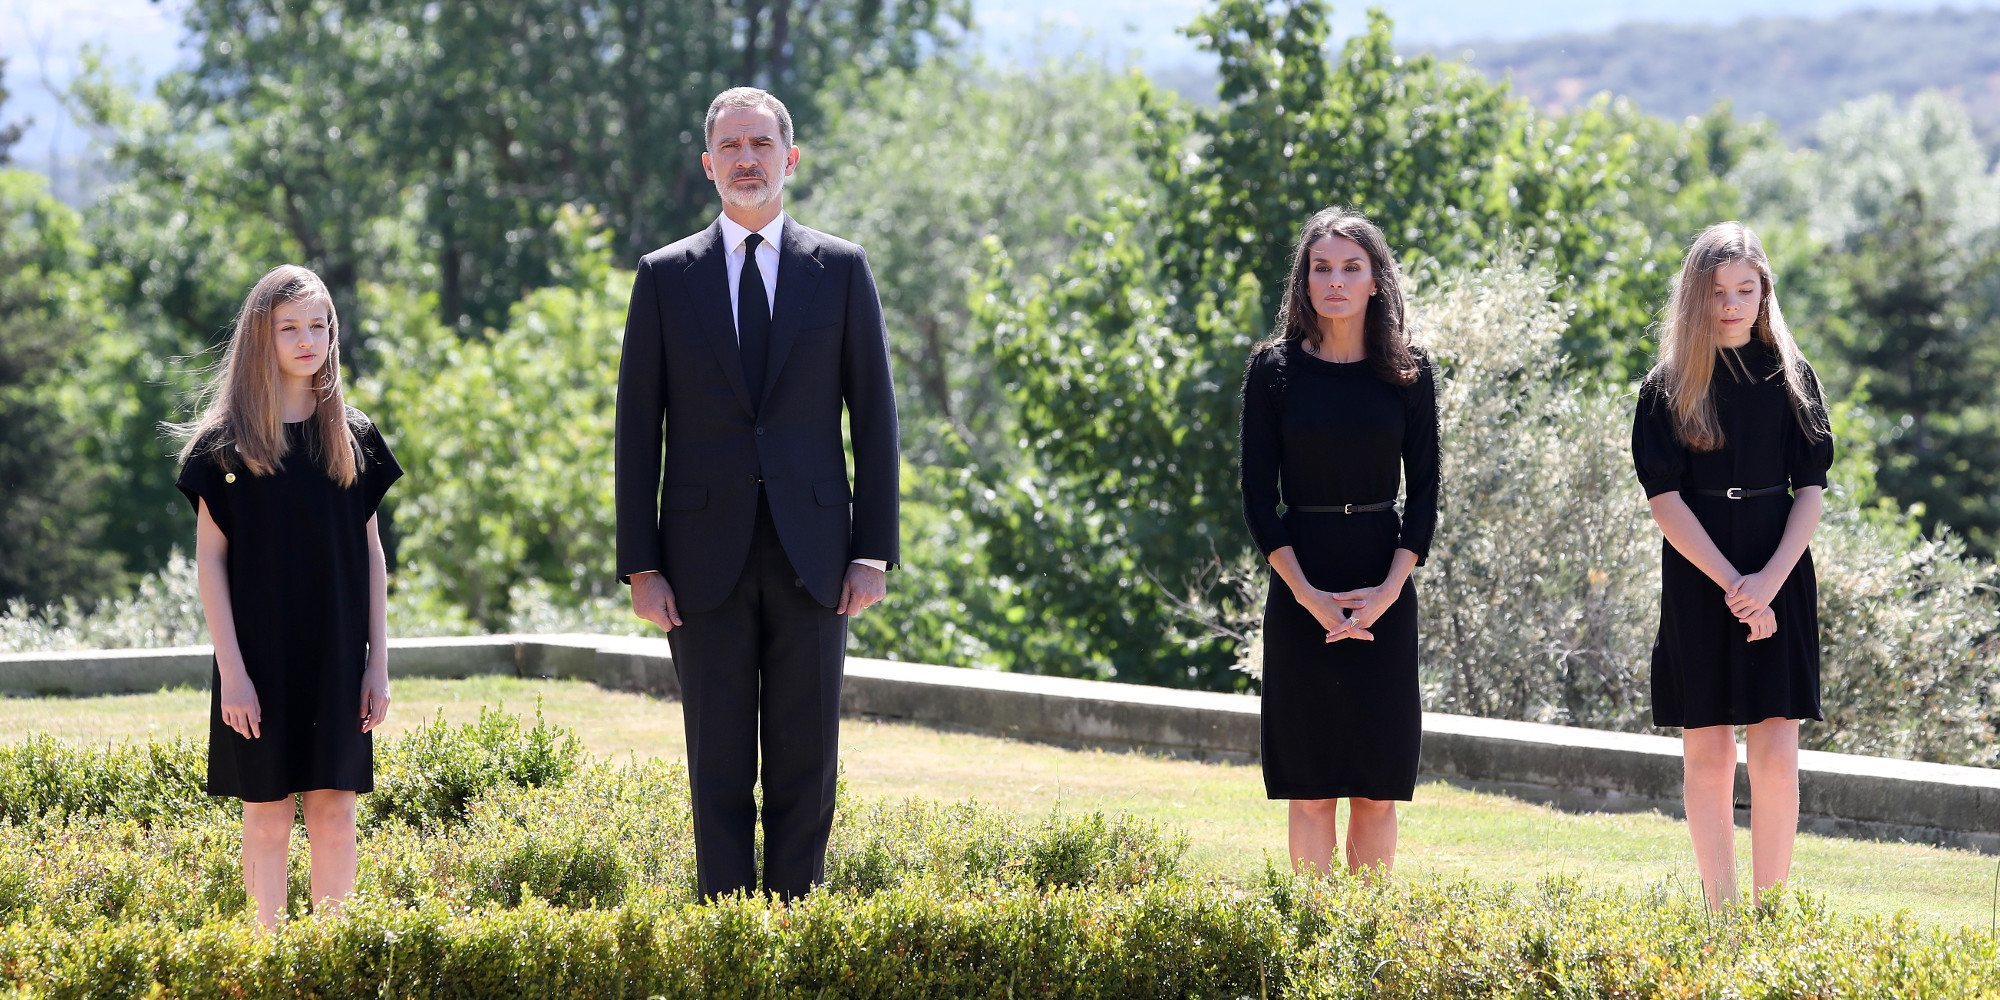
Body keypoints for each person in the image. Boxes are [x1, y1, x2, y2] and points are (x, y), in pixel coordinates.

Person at [614, 86, 900, 901]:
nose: (746, 159)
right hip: (699, 563)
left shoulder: (840, 270)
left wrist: (872, 551)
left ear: (790, 158)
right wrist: (641, 565)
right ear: (708, 165)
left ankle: (793, 938)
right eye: (730, 147)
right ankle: (727, 940)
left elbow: (875, 420)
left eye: (761, 145)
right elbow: (638, 431)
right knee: (718, 763)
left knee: (807, 763)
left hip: (819, 558)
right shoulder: (664, 278)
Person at [171, 264, 402, 928]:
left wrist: (377, 664)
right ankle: (266, 961)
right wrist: (233, 673)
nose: (308, 340)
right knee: (267, 817)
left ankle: (331, 960)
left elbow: (371, 556)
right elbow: (210, 563)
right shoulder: (225, 448)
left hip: (335, 656)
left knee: (335, 813)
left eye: (319, 325)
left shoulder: (352, 437)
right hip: (258, 662)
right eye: (290, 327)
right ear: (260, 338)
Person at [1631, 221, 1833, 910]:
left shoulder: (1793, 378)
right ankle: (1719, 911)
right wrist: (1733, 585)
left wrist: (1769, 582)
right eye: (1718, 291)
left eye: (1746, 288)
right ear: (1696, 296)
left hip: (1781, 569)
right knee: (1709, 747)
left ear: (1764, 291)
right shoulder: (1664, 388)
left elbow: (1811, 486)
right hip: (1699, 573)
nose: (1732, 303)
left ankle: (1770, 911)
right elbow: (1665, 502)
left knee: (1776, 750)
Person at [1238, 207, 1440, 877]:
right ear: (1304, 280)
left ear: (1377, 280)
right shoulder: (1272, 372)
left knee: (1378, 792)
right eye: (1321, 268)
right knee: (1313, 789)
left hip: (1386, 582)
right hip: (1303, 582)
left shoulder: (1410, 371)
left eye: (1352, 268)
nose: (1336, 281)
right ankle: (1313, 941)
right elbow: (1257, 504)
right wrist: (1309, 598)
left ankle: (1367, 945)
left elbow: (1427, 495)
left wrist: (1387, 591)